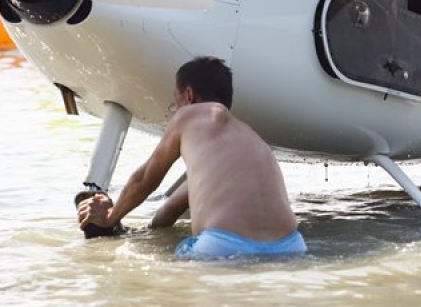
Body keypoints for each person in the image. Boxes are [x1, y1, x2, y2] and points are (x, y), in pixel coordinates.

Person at [76, 56, 306, 259]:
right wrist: (136, 231)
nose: (175, 112)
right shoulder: (251, 139)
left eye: (174, 104)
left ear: (188, 95)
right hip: (291, 247)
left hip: (223, 245)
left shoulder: (190, 114)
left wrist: (109, 218)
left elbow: (145, 179)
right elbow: (169, 211)